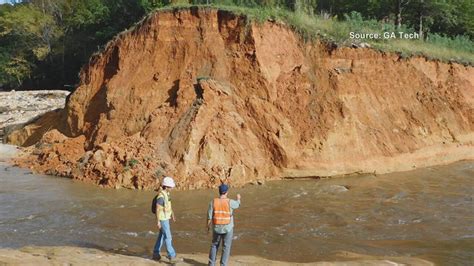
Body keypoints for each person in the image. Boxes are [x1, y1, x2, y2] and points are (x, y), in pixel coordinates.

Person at [207, 184, 241, 266]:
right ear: (227, 192)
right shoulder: (230, 202)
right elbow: (237, 205)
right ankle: (223, 264)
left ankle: (211, 264)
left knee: (214, 245)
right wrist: (239, 199)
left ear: (219, 192)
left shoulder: (213, 202)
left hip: (216, 227)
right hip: (228, 228)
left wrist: (208, 227)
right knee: (226, 247)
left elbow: (209, 216)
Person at [153, 176, 180, 263]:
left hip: (165, 218)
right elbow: (158, 209)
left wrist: (172, 214)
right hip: (163, 219)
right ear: (167, 187)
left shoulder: (166, 194)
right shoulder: (161, 196)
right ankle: (171, 256)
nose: (172, 188)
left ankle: (156, 253)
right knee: (168, 237)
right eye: (171, 187)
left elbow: (168, 205)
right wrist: (158, 222)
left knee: (161, 236)